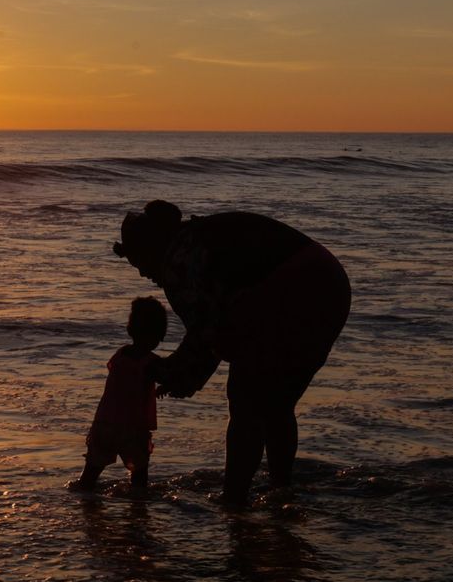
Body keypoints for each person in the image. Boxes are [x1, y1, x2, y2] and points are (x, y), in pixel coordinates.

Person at [113, 200, 351, 506]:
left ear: (152, 248)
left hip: (295, 284)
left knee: (245, 397)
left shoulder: (178, 258)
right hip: (329, 280)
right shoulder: (199, 236)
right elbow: (217, 329)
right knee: (277, 403)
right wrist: (187, 371)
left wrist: (178, 375)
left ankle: (235, 498)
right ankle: (281, 491)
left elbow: (207, 330)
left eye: (139, 263)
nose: (144, 274)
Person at [72, 296, 168, 491]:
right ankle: (137, 513)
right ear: (158, 334)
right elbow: (167, 377)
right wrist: (167, 386)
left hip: (104, 423)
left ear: (131, 329)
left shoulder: (119, 355)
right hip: (133, 428)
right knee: (139, 477)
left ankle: (86, 504)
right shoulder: (152, 362)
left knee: (90, 473)